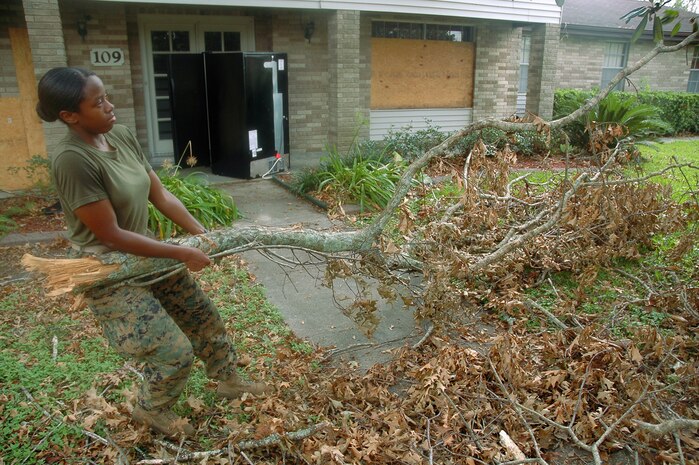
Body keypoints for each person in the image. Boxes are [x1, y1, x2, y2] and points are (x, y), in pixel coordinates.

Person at [36, 67, 270, 437]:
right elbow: (110, 235)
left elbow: (159, 195)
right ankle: (151, 411)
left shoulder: (121, 135)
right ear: (69, 116)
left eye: (107, 96)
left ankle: (229, 382)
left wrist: (200, 234)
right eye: (99, 103)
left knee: (204, 319)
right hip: (109, 270)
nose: (110, 107)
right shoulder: (72, 160)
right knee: (172, 352)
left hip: (150, 254)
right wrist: (180, 254)